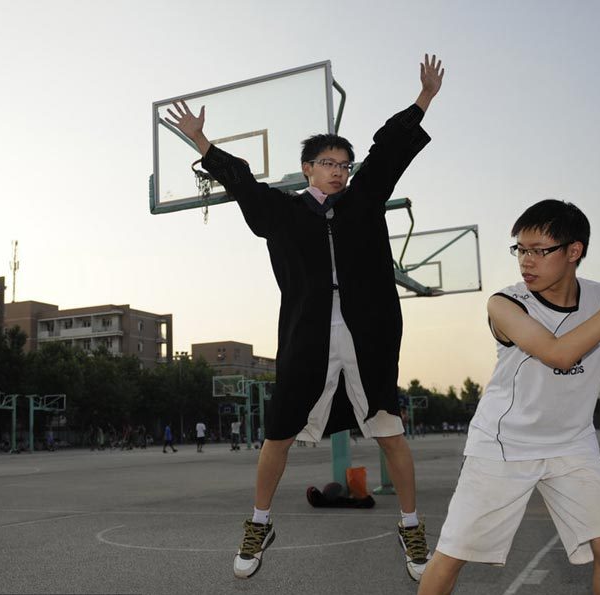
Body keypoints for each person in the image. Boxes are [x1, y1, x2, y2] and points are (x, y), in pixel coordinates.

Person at [165, 54, 444, 581]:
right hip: (306, 334)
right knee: (278, 435)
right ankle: (259, 521)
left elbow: (388, 154)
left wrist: (423, 99)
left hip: (368, 335)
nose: (339, 171)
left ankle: (410, 526)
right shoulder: (285, 212)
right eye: (329, 163)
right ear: (309, 168)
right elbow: (242, 183)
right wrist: (203, 143)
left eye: (344, 164)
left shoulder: (364, 201)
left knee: (389, 432)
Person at [418, 199, 600, 595]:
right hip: (503, 445)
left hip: (571, 444)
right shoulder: (506, 304)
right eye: (521, 250)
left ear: (573, 252)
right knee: (452, 555)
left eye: (539, 251)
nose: (526, 261)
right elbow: (560, 353)